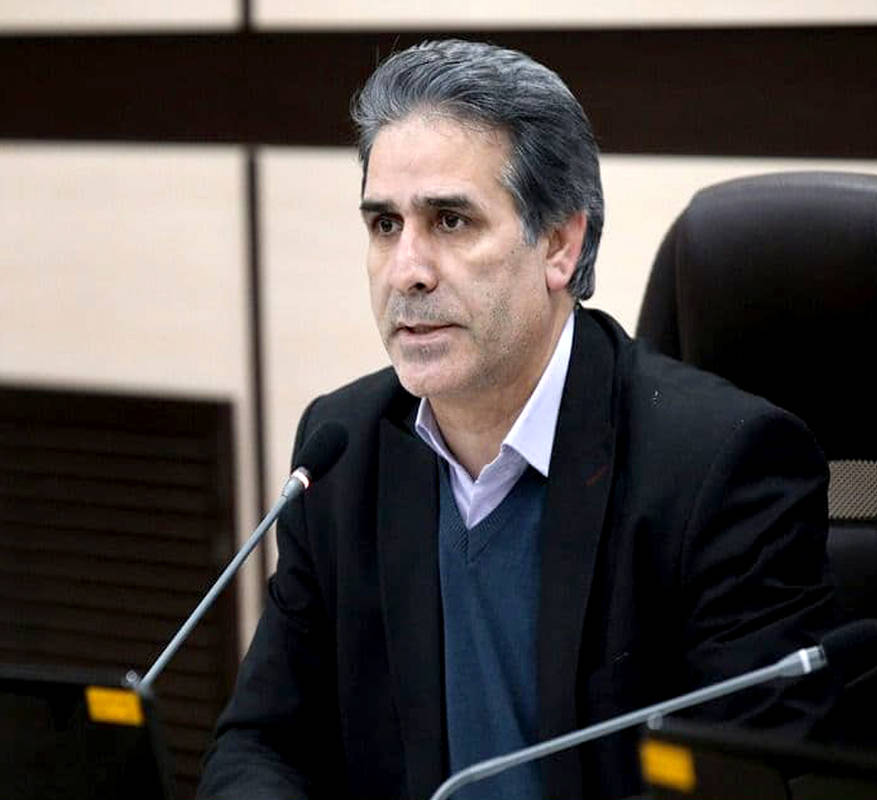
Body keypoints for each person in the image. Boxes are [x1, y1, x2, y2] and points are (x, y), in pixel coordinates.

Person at [197, 39, 837, 800]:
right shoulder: (342, 451)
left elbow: (752, 780)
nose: (407, 270)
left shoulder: (717, 468)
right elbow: (261, 745)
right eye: (385, 225)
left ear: (560, 245)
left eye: (450, 221)